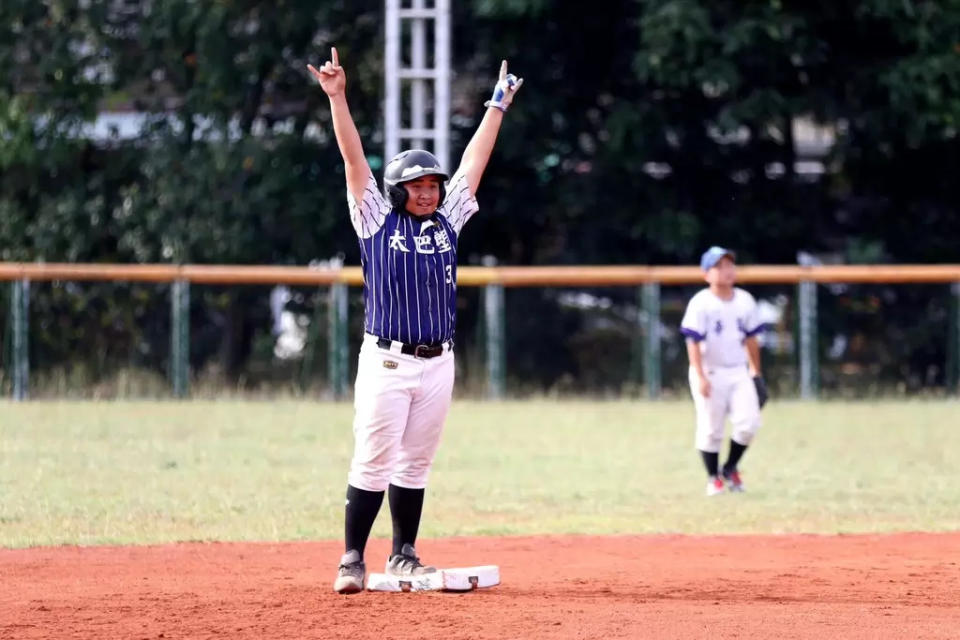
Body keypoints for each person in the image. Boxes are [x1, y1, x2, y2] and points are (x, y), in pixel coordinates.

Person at [308, 47, 523, 594]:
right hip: (386, 358)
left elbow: (474, 163)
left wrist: (497, 106)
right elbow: (354, 160)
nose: (428, 193)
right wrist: (338, 98)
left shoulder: (449, 220)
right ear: (399, 189)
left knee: (416, 462)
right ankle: (353, 558)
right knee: (374, 458)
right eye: (418, 186)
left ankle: (403, 554)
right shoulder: (375, 218)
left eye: (433, 185)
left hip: (438, 362)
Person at [680, 247, 769, 496]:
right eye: (719, 267)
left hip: (739, 371)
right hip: (710, 371)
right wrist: (700, 376)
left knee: (749, 424)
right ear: (706, 274)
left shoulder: (744, 301)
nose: (727, 271)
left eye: (730, 265)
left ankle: (730, 468)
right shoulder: (701, 303)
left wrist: (756, 372)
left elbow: (752, 340)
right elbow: (693, 343)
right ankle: (713, 478)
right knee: (711, 429)